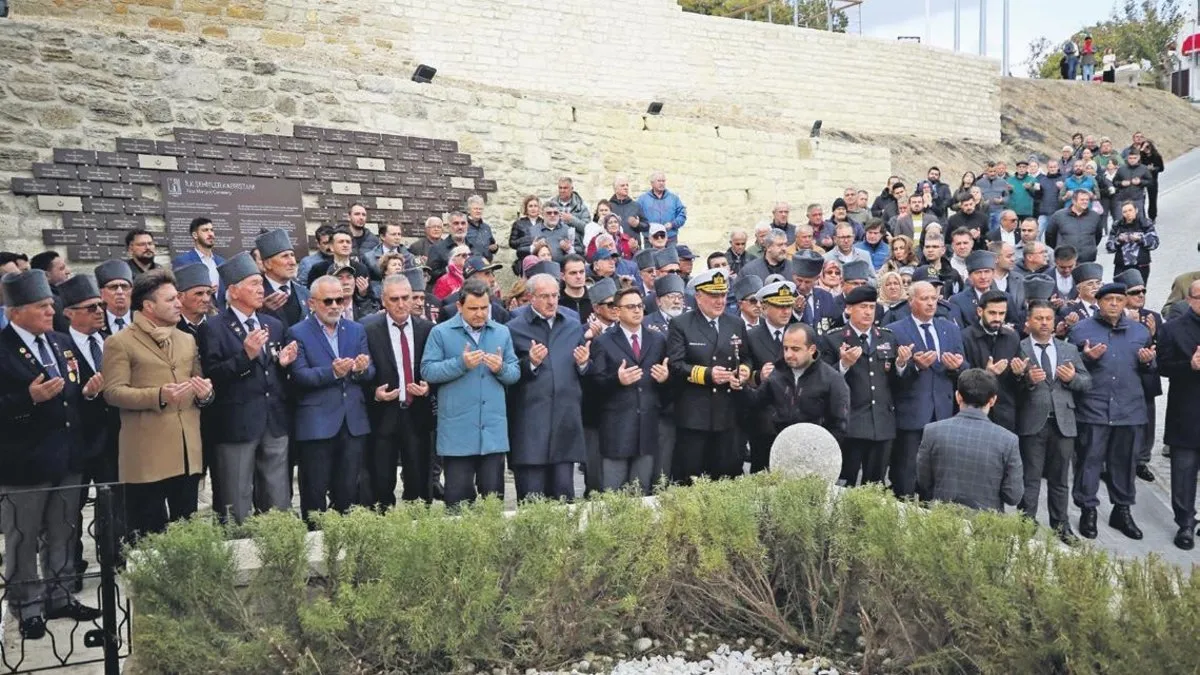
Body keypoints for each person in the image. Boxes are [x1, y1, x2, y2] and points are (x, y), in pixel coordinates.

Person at [0, 269, 103, 639]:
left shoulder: (60, 343)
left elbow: (71, 395)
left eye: (50, 304)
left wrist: (88, 393)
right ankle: (27, 606)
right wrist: (28, 399)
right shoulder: (3, 348)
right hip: (24, 463)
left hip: (67, 457)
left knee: (62, 530)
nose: (49, 311)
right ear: (14, 312)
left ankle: (59, 595)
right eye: (41, 306)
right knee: (23, 537)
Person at [103, 269, 213, 538]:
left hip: (187, 450)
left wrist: (205, 393)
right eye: (171, 300)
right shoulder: (120, 342)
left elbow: (199, 382)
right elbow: (113, 392)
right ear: (149, 306)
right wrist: (159, 395)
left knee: (186, 531)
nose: (179, 303)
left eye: (178, 298)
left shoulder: (186, 339)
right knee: (148, 534)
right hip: (147, 454)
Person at [196, 253, 296, 525]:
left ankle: (279, 551)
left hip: (273, 419)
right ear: (233, 290)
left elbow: (275, 369)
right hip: (236, 424)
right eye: (253, 283)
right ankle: (236, 550)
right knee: (235, 499)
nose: (260, 288)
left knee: (278, 498)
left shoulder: (273, 324)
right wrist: (245, 356)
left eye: (260, 282)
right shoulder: (214, 328)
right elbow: (213, 374)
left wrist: (285, 364)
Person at [420, 278, 519, 508]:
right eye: (473, 309)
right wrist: (460, 364)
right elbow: (428, 370)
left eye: (484, 308)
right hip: (457, 434)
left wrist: (500, 368)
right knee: (458, 504)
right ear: (459, 307)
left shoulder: (502, 332)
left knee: (493, 504)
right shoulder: (441, 333)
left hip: (493, 434)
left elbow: (514, 373)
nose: (480, 314)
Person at [1067, 282, 1156, 540]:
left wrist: (1149, 363)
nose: (1114, 304)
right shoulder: (1081, 330)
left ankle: (1122, 510)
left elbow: (1150, 370)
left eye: (1119, 299)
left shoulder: (1139, 332)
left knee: (1125, 463)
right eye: (1109, 300)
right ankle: (1088, 509)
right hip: (1093, 407)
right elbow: (1070, 368)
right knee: (1089, 460)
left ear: (1125, 302)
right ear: (1099, 302)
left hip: (1129, 409)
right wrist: (1087, 358)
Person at [288, 275, 374, 525]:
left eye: (341, 299)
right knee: (314, 492)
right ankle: (316, 541)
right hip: (317, 424)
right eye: (328, 301)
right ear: (312, 303)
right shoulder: (298, 332)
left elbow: (370, 371)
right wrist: (332, 372)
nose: (336, 305)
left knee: (348, 489)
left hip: (352, 422)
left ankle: (344, 541)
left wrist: (360, 370)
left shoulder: (356, 329)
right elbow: (299, 375)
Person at [505, 273, 590, 501]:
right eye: (544, 296)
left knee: (564, 497)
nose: (552, 301)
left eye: (555, 295)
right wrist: (530, 362)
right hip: (530, 425)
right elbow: (507, 373)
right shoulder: (514, 328)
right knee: (533, 500)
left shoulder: (572, 326)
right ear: (531, 298)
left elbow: (585, 371)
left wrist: (584, 364)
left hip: (565, 422)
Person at [1013, 300, 1089, 540]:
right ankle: (1026, 522)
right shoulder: (1020, 347)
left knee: (1060, 478)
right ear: (1028, 322)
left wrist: (1072, 378)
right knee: (1030, 476)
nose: (1044, 323)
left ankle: (1061, 525)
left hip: (1063, 422)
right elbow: (1010, 386)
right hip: (1033, 421)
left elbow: (1087, 382)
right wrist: (1026, 379)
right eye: (1039, 318)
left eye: (1048, 318)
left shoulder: (1068, 349)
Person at [885, 281, 967, 498]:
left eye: (934, 298)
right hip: (911, 414)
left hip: (943, 414)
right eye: (924, 299)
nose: (931, 303)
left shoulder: (950, 329)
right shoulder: (895, 331)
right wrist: (910, 365)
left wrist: (955, 367)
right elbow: (891, 376)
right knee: (907, 475)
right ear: (911, 301)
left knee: (936, 475)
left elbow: (963, 369)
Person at [667, 268, 749, 483]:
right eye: (714, 295)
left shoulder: (735, 323)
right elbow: (676, 365)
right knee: (691, 479)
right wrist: (708, 374)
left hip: (727, 412)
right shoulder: (681, 324)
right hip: (695, 414)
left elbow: (747, 358)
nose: (720, 300)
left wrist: (744, 372)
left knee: (725, 478)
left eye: (723, 295)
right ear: (699, 296)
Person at [361, 274, 435, 507]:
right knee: (381, 479)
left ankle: (417, 522)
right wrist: (375, 393)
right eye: (395, 299)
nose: (401, 304)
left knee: (418, 477)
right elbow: (364, 371)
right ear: (384, 300)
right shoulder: (368, 329)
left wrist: (428, 387)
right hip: (384, 414)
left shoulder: (427, 329)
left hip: (417, 412)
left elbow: (434, 367)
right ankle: (383, 518)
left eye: (406, 298)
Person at [588, 286, 670, 494]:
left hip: (647, 429)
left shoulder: (657, 339)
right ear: (617, 311)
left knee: (641, 493)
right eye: (631, 306)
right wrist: (617, 380)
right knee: (613, 495)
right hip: (617, 430)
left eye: (640, 306)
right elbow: (594, 384)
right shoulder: (603, 342)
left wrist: (665, 379)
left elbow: (668, 386)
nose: (637, 311)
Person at [820, 285, 899, 486]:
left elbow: (895, 383)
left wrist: (901, 366)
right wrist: (843, 365)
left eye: (871, 307)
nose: (868, 312)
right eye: (863, 307)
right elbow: (822, 380)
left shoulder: (887, 337)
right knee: (845, 484)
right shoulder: (834, 339)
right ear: (849, 309)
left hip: (881, 423)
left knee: (875, 486)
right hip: (851, 423)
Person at [916, 369, 1023, 511]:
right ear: (993, 400)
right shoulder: (1008, 440)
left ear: (958, 397)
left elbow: (923, 482)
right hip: (986, 526)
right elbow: (1013, 495)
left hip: (940, 522)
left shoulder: (932, 431)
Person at [745, 320, 849, 449]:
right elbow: (756, 402)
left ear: (811, 349)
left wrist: (821, 450)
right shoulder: (777, 374)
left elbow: (839, 425)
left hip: (816, 453)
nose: (788, 354)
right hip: (779, 449)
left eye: (795, 349)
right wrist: (741, 386)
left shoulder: (832, 379)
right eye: (785, 348)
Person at [1157, 279, 1200, 549]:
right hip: (1187, 411)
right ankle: (1185, 522)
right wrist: (1190, 366)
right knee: (1183, 472)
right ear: (1191, 299)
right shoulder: (1173, 329)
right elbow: (1162, 366)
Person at [1115, 269, 1162, 483]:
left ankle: (1142, 459)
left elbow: (1163, 347)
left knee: (1148, 418)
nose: (1140, 296)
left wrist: (1153, 336)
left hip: (1146, 377)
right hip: (1123, 376)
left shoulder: (1153, 317)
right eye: (1135, 292)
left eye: (1143, 291)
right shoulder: (1115, 316)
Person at [960, 290, 1023, 433]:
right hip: (974, 412)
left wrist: (1019, 373)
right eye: (992, 313)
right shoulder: (965, 337)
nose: (997, 318)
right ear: (980, 311)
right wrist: (986, 374)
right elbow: (960, 377)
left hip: (1004, 414)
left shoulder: (1012, 337)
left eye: (1002, 314)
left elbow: (1016, 384)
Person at [255, 228, 310, 328]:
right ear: (268, 264)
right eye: (285, 256)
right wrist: (263, 309)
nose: (292, 262)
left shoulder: (304, 293)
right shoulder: (254, 293)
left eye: (292, 255)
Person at [171, 217, 226, 302]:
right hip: (199, 313)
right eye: (205, 230)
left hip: (222, 313)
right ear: (195, 235)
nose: (210, 234)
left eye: (212, 230)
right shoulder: (183, 261)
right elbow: (179, 292)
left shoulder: (222, 262)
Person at [1105, 201, 1158, 283]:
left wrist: (1140, 239)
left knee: (1138, 291)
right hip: (1121, 265)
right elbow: (1109, 247)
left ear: (1136, 210)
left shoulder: (1145, 223)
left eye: (1130, 210)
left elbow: (1154, 243)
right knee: (1119, 291)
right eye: (1125, 211)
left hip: (1141, 265)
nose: (1128, 213)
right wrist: (1118, 241)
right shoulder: (1117, 225)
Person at [1046, 190, 1104, 263]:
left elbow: (1098, 235)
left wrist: (1090, 249)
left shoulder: (1095, 216)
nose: (1085, 202)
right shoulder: (1058, 216)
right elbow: (1050, 236)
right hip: (1065, 260)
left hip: (1087, 259)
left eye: (1087, 200)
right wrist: (1060, 250)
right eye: (1082, 200)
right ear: (1073, 201)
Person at [637, 171, 687, 244]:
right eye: (659, 181)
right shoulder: (642, 199)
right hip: (650, 240)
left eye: (663, 181)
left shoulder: (674, 198)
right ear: (652, 183)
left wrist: (672, 224)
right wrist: (647, 226)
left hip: (670, 240)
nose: (661, 183)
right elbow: (637, 218)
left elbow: (682, 215)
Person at [95, 259, 134, 334]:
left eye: (124, 286)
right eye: (113, 287)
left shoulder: (143, 321)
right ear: (101, 293)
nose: (120, 292)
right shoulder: (94, 325)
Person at [464, 195, 499, 260]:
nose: (478, 211)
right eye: (475, 209)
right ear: (469, 210)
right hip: (471, 266)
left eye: (480, 209)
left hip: (487, 265)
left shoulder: (486, 227)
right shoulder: (463, 227)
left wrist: (495, 248)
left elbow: (492, 244)